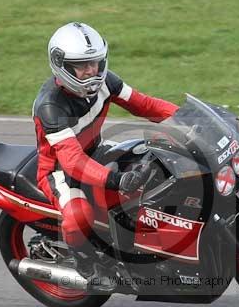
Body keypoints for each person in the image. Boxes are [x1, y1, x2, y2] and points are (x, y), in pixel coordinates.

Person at [32, 22, 179, 292]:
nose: (92, 70)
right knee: (78, 215)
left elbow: (145, 105)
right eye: (82, 65)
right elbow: (73, 162)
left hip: (96, 150)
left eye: (95, 62)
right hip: (60, 171)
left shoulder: (106, 81)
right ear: (62, 65)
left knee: (154, 160)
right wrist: (117, 179)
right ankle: (88, 266)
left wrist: (186, 119)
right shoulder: (51, 107)